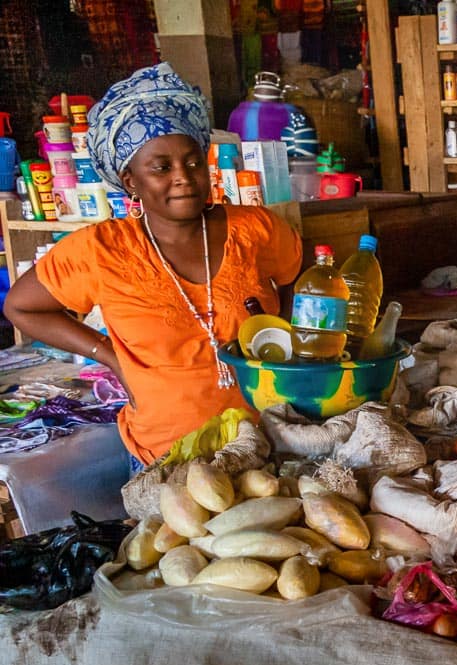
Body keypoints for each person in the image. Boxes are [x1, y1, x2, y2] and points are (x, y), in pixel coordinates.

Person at [4, 63, 304, 468]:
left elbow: (296, 280)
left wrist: (280, 343)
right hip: (166, 455)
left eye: (194, 162)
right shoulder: (102, 250)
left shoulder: (255, 228)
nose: (183, 177)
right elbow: (20, 307)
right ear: (130, 181)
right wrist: (109, 355)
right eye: (161, 167)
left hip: (269, 442)